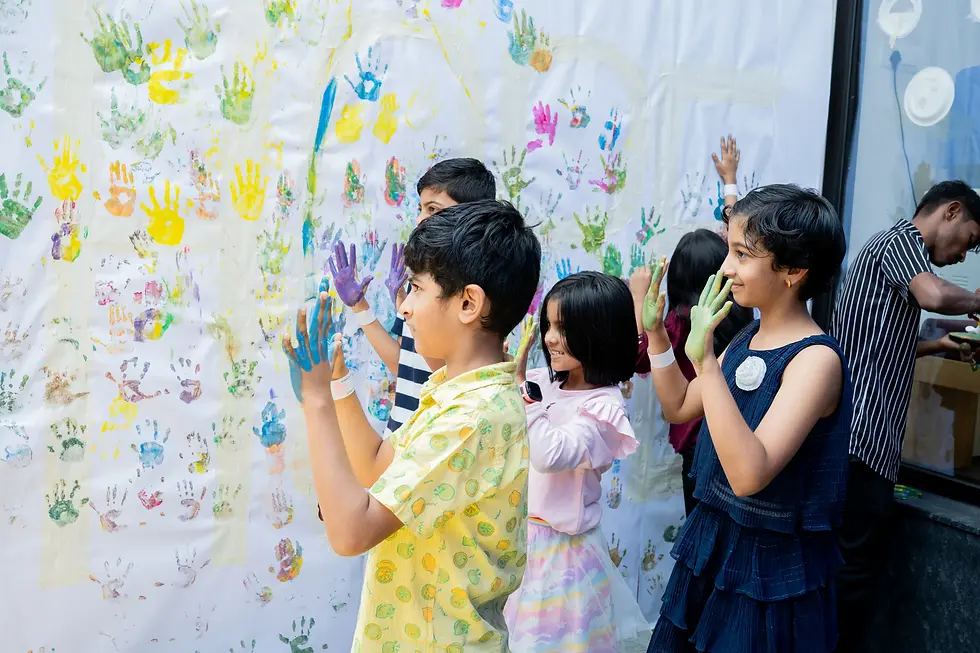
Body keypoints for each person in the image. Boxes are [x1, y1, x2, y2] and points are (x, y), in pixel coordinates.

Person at [285, 199, 541, 653]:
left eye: (416, 289)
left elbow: (350, 532)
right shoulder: (454, 392)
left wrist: (317, 399)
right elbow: (378, 467)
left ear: (468, 303)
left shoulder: (472, 417)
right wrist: (339, 382)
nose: (403, 307)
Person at [643, 184, 852, 652]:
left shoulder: (815, 361)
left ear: (793, 270)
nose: (726, 268)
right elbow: (677, 406)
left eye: (741, 253)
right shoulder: (747, 336)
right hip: (715, 543)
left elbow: (749, 474)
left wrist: (709, 362)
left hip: (770, 572)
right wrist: (657, 335)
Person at [830, 180, 980, 652]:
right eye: (970, 242)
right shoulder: (901, 242)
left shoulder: (888, 253)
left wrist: (941, 347)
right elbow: (934, 295)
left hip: (858, 445)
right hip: (861, 443)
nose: (962, 257)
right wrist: (977, 302)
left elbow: (879, 344)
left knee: (848, 573)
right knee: (851, 579)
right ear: (951, 211)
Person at [504, 271, 650, 652]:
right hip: (521, 546)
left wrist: (522, 389)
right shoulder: (547, 382)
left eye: (563, 328)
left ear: (598, 333)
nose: (549, 338)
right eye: (548, 325)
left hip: (562, 559)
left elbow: (550, 455)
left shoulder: (604, 409)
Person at [329, 157, 497, 438]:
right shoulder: (418, 287)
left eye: (433, 209)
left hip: (432, 443)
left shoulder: (472, 296)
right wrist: (361, 307)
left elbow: (450, 375)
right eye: (420, 208)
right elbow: (405, 366)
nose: (420, 219)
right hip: (399, 436)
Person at [630, 230, 753, 516]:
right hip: (738, 435)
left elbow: (639, 358)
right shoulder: (742, 315)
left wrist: (638, 298)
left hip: (697, 446)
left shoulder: (680, 322)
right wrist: (731, 188)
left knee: (701, 527)